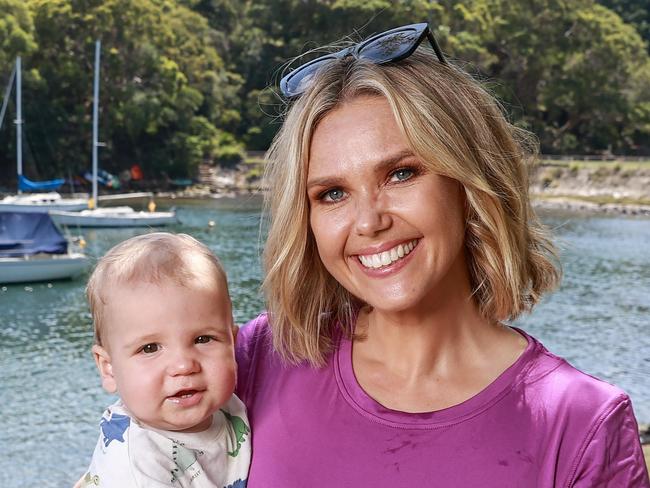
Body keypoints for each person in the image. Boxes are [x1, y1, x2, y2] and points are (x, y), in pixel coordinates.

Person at [235, 23, 650, 487]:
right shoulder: (259, 359)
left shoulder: (581, 427)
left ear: (468, 181)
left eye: (401, 174)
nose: (369, 222)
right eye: (332, 194)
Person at [82, 232, 250, 488]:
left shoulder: (229, 405)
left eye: (203, 339)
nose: (184, 365)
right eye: (150, 348)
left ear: (233, 344)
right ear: (109, 368)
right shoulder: (135, 469)